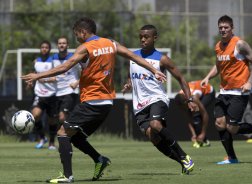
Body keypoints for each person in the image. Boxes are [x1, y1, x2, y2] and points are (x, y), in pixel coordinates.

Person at [22, 17, 166, 183]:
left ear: (83, 32)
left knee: (62, 133)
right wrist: (153, 69)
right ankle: (99, 160)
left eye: (77, 35)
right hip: (106, 102)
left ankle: (67, 176)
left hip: (92, 101)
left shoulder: (86, 47)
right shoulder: (110, 43)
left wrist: (37, 75)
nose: (76, 39)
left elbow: (64, 67)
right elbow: (132, 56)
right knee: (75, 137)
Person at [122, 24, 197, 175]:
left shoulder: (162, 59)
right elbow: (131, 74)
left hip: (157, 98)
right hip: (139, 104)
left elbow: (181, 78)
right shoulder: (133, 56)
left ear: (154, 38)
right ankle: (182, 162)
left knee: (155, 124)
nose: (143, 39)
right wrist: (129, 83)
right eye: (141, 37)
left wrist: (189, 100)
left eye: (146, 37)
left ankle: (184, 155)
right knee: (153, 137)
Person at [200, 15, 252, 164]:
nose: (223, 30)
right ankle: (231, 158)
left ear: (232, 28)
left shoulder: (240, 44)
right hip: (224, 92)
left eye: (226, 27)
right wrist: (207, 77)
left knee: (232, 128)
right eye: (220, 28)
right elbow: (218, 66)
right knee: (219, 124)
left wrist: (250, 82)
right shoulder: (218, 46)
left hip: (239, 92)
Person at [28, 40, 58, 150]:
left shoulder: (53, 61)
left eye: (46, 47)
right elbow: (35, 75)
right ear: (40, 49)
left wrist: (44, 80)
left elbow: (56, 78)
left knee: (52, 120)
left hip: (52, 95)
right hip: (39, 94)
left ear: (49, 49)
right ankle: (42, 138)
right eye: (42, 47)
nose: (44, 49)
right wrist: (30, 82)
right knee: (35, 115)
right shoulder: (36, 61)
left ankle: (51, 143)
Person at [52, 36, 80, 150]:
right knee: (58, 119)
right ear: (57, 45)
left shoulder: (73, 58)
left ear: (67, 45)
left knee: (62, 117)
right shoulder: (53, 58)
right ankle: (70, 137)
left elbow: (85, 71)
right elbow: (54, 75)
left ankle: (65, 138)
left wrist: (77, 82)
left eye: (64, 43)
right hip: (58, 92)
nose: (61, 45)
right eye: (59, 43)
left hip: (70, 91)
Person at [175, 80, 215, 148]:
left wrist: (203, 133)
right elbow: (188, 117)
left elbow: (205, 115)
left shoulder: (194, 97)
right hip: (196, 91)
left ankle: (204, 140)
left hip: (208, 92)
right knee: (193, 114)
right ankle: (198, 138)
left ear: (186, 102)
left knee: (197, 114)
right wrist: (193, 134)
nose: (183, 109)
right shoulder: (180, 99)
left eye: (184, 107)